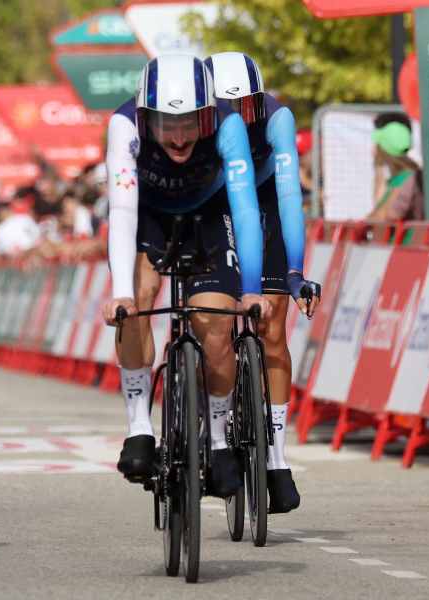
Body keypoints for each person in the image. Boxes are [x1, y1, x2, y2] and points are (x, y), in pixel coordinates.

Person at [101, 54, 270, 499]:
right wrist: (121, 295)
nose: (178, 137)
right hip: (149, 218)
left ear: (207, 116)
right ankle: (139, 427)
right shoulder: (123, 127)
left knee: (215, 323)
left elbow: (245, 205)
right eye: (166, 124)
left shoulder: (230, 126)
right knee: (136, 300)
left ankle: (217, 442)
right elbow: (121, 209)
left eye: (190, 123)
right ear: (145, 117)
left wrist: (251, 288)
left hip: (210, 217)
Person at [207, 51, 323, 513]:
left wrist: (294, 271)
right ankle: (207, 413)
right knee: (209, 320)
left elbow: (291, 195)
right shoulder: (192, 124)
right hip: (214, 205)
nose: (237, 118)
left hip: (267, 203)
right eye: (226, 109)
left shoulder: (277, 119)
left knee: (272, 330)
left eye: (246, 108)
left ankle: (275, 456)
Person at [369, 113, 423, 221]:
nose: (372, 149)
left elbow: (385, 216)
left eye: (376, 144)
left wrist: (378, 167)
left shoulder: (407, 178)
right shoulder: (397, 179)